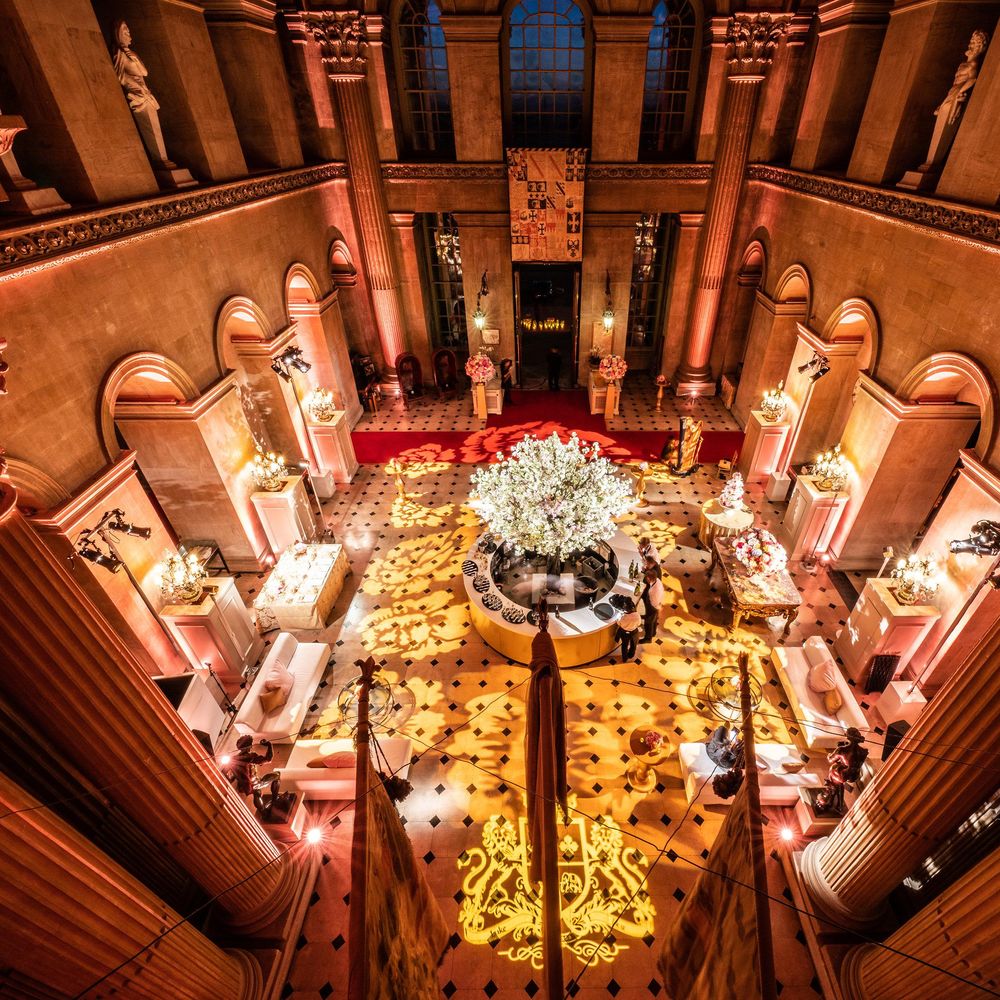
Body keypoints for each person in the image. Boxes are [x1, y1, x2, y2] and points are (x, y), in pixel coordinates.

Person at [639, 567, 664, 643]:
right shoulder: (657, 580)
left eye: (646, 577)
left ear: (648, 578)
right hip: (657, 604)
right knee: (654, 619)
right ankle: (653, 632)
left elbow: (653, 603)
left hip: (653, 607)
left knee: (648, 622)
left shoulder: (653, 591)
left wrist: (646, 616)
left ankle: (648, 638)